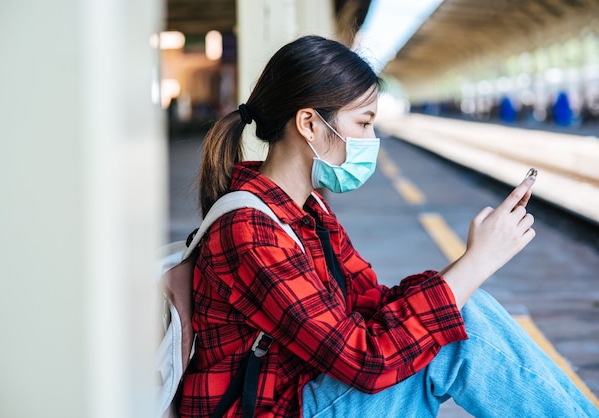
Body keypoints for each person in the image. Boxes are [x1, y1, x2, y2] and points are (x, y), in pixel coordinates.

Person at [170, 35, 599, 417]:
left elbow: (372, 303)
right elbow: (365, 361)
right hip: (274, 409)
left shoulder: (308, 211)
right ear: (309, 124)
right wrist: (478, 263)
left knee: (466, 311)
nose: (372, 138)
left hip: (301, 394)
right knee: (460, 333)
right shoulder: (250, 230)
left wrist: (468, 266)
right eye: (363, 122)